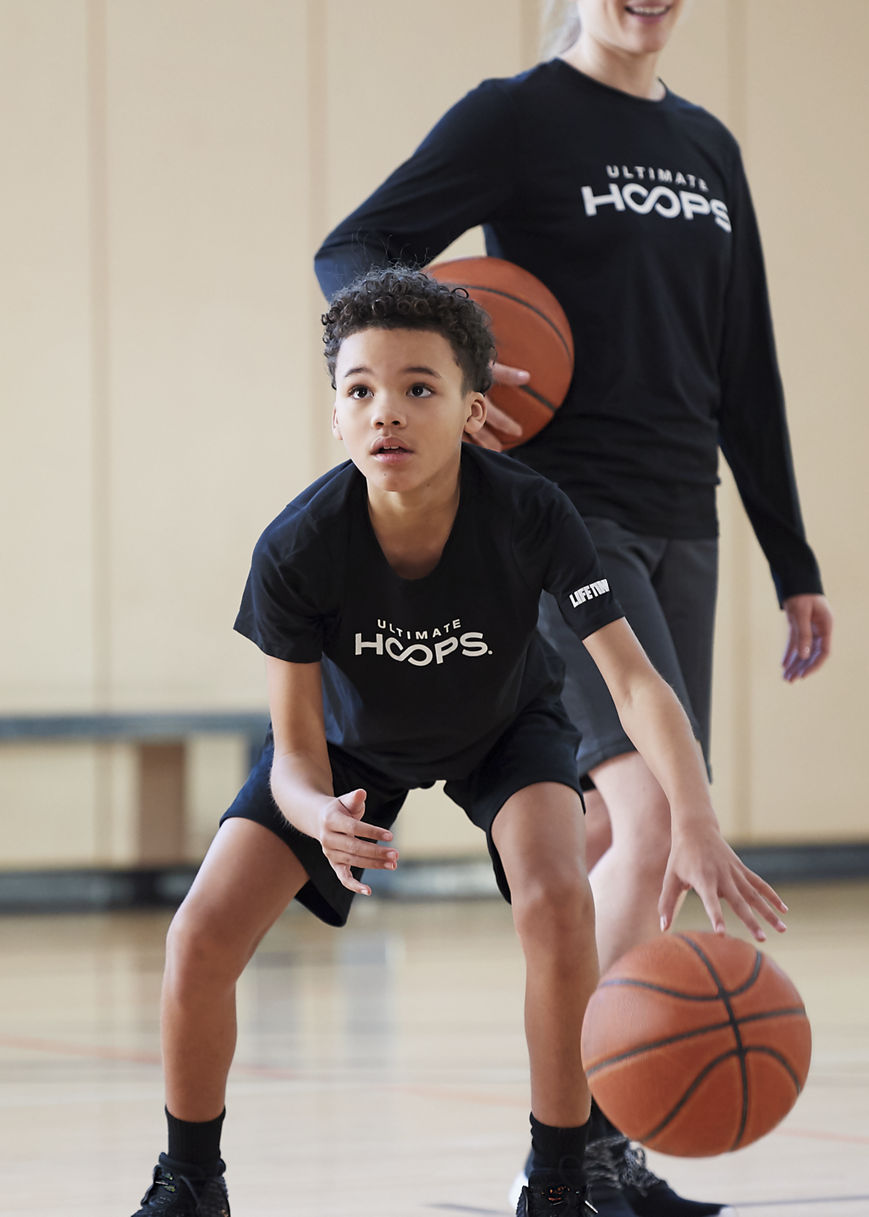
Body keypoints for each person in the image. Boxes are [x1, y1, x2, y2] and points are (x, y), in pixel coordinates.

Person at [313, 3, 834, 1214]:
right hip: (562, 511)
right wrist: (442, 372)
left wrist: (789, 551)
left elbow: (742, 357)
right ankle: (577, 1155)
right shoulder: (518, 116)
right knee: (655, 809)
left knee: (616, 843)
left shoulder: (710, 148)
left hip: (681, 514)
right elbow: (355, 247)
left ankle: (589, 1131)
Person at [128, 267, 787, 1217]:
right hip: (351, 751)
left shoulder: (531, 512)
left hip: (504, 732)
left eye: (418, 388)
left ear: (475, 409)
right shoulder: (296, 548)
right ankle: (190, 1182)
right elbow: (297, 749)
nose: (385, 410)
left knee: (559, 901)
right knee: (196, 934)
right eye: (360, 390)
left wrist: (694, 817)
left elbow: (635, 680)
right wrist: (322, 818)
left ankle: (557, 1180)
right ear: (335, 415)